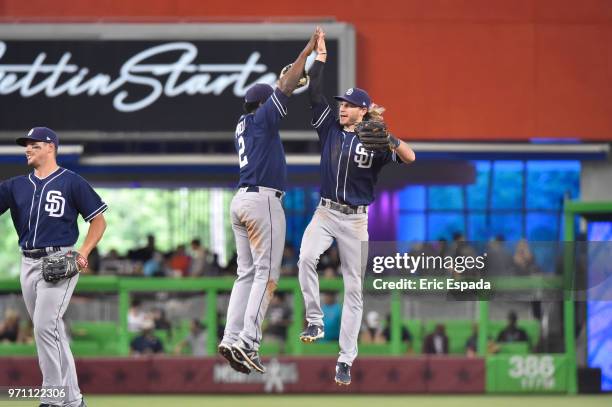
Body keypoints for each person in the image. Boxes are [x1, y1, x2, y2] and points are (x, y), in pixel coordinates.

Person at [297, 28, 416, 386]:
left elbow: (410, 157)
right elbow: (314, 91)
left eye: (348, 105)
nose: (342, 108)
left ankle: (345, 360)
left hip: (355, 222)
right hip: (326, 211)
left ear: (362, 110)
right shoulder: (329, 129)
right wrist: (321, 57)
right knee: (305, 258)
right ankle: (315, 320)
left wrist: (391, 137)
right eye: (342, 104)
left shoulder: (375, 138)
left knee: (354, 289)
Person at [217, 29, 320, 376]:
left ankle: (231, 337)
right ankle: (247, 341)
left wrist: (287, 81)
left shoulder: (243, 123)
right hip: (262, 202)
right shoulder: (263, 118)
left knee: (244, 274)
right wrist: (307, 51)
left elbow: (284, 90)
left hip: (241, 200)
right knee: (267, 274)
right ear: (263, 104)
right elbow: (287, 88)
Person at [0, 127, 107, 407]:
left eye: (34, 145)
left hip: (59, 259)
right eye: (26, 146)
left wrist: (83, 252)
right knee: (50, 329)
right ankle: (73, 400)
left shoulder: (72, 182)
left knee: (46, 327)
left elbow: (98, 221)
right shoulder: (15, 186)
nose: (27, 149)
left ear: (50, 147)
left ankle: (52, 398)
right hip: (27, 261)